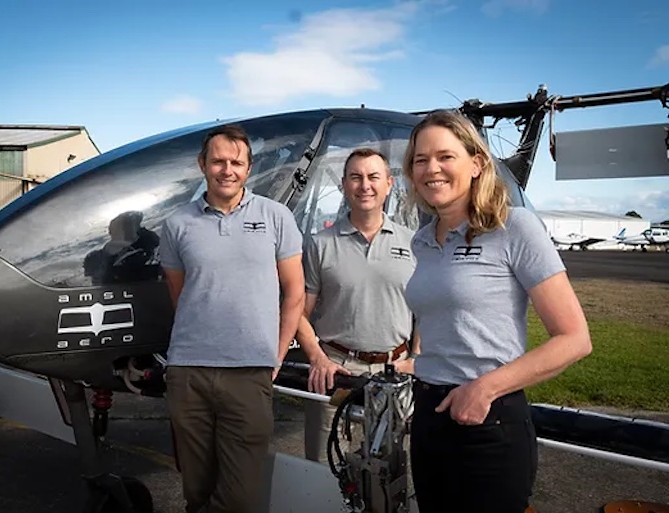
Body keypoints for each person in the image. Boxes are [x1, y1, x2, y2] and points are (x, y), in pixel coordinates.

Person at [402, 110, 592, 513]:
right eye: (420, 160)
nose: (431, 168)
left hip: (490, 419)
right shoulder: (421, 241)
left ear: (477, 163)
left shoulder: (514, 227)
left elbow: (575, 339)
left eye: (445, 156)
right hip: (429, 416)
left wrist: (484, 388)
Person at [159, 124, 305, 513]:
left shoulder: (276, 217)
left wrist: (275, 354)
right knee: (197, 489)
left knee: (240, 496)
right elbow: (181, 294)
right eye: (218, 161)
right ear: (202, 164)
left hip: (250, 371)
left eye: (236, 162)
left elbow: (294, 292)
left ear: (249, 167)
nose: (228, 170)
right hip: (188, 371)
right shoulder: (176, 225)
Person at [296, 147, 419, 464]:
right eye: (356, 177)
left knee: (390, 471)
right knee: (323, 468)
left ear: (389, 184)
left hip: (395, 372)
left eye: (373, 177)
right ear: (343, 185)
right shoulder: (319, 245)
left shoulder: (414, 243)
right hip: (335, 370)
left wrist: (416, 358)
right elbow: (299, 310)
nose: (365, 185)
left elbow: (426, 311)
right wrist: (316, 357)